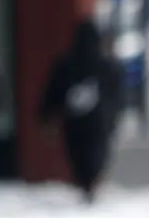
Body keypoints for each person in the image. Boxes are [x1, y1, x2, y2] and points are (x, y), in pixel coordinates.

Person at [40, 20, 124, 204]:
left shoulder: (65, 64)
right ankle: (90, 184)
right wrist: (114, 116)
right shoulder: (105, 65)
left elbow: (53, 92)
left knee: (77, 153)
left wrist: (45, 115)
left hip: (74, 121)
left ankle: (85, 183)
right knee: (95, 152)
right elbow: (116, 94)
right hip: (98, 121)